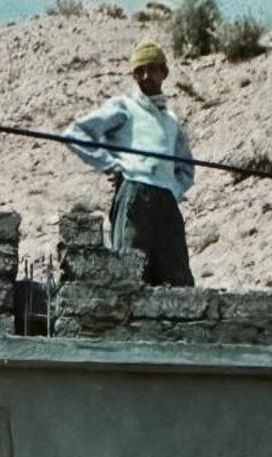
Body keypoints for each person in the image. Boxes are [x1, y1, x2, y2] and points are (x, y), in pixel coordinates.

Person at [63, 40, 195, 287]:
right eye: (139, 71)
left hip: (166, 202)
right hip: (134, 197)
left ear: (163, 73)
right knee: (129, 273)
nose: (146, 76)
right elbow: (75, 134)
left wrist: (173, 188)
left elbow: (186, 169)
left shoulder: (170, 120)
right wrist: (111, 164)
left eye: (152, 69)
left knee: (177, 278)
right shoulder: (124, 107)